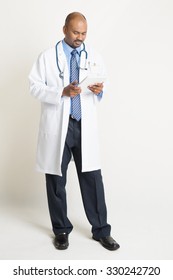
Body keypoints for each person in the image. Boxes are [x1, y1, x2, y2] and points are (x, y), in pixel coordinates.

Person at [29, 12, 120, 251]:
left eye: (83, 33)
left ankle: (101, 230)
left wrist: (100, 89)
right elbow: (34, 87)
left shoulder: (94, 56)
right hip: (59, 125)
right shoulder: (47, 57)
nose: (80, 38)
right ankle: (60, 230)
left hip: (84, 125)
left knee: (92, 178)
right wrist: (61, 92)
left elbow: (103, 84)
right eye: (75, 32)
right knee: (56, 179)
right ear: (64, 29)